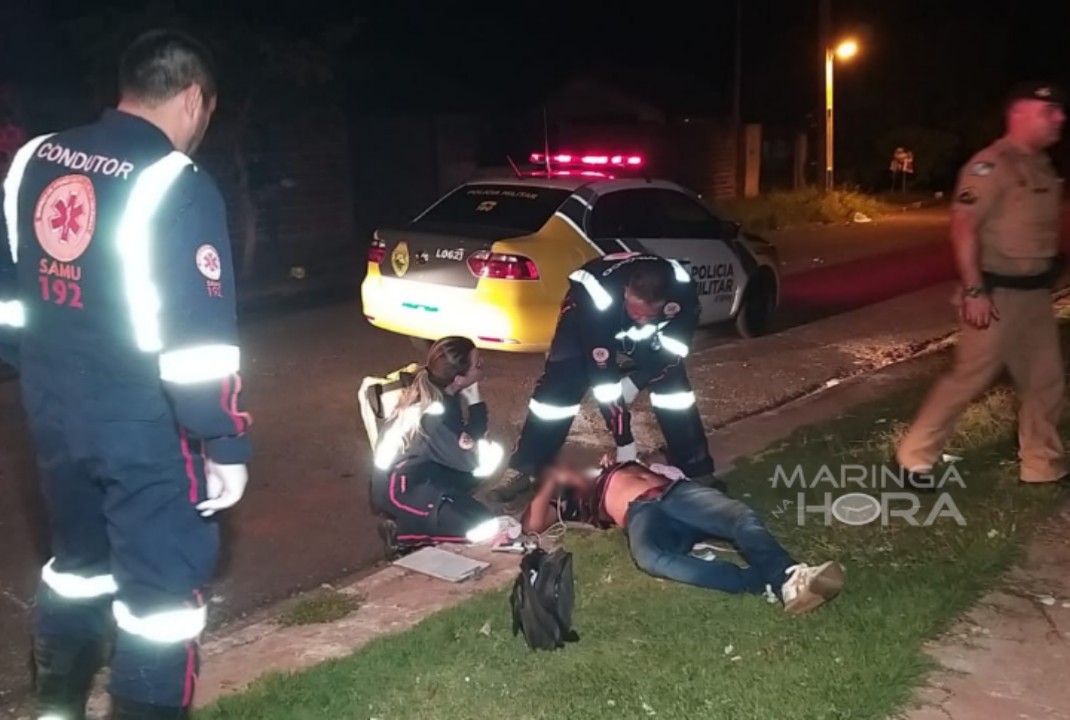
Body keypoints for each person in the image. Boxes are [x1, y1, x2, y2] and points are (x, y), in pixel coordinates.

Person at [0, 30, 251, 719]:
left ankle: (57, 706)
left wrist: (41, 368)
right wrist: (224, 441)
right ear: (195, 99)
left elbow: (10, 288)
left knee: (77, 567)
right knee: (160, 600)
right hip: (143, 425)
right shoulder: (175, 182)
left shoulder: (33, 160)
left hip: (51, 410)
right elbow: (197, 340)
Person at [896, 81, 1067, 490]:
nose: (1060, 118)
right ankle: (912, 459)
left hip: (1034, 296)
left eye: (1060, 110)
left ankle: (1042, 464)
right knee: (968, 378)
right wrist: (974, 290)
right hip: (994, 296)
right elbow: (964, 225)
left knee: (1046, 381)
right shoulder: (990, 165)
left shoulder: (1041, 165)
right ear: (1019, 113)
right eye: (1049, 111)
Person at [492, 251, 718, 504]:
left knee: (675, 394)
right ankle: (525, 466)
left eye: (649, 316)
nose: (642, 320)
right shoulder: (596, 298)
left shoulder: (682, 288)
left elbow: (676, 347)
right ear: (626, 291)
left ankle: (696, 467)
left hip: (640, 326)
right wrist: (625, 443)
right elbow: (603, 378)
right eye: (636, 313)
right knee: (558, 392)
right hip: (584, 319)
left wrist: (636, 381)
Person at [521, 455, 845, 614]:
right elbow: (531, 525)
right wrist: (547, 482)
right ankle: (763, 583)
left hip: (676, 493)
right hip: (643, 514)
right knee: (649, 558)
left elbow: (657, 466)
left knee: (739, 515)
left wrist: (624, 463)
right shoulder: (566, 500)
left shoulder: (607, 466)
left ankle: (788, 575)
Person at [370, 336, 510, 553]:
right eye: (478, 365)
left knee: (484, 515)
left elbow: (468, 440)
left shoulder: (442, 392)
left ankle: (438, 510)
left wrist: (475, 402)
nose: (482, 368)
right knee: (484, 528)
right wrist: (482, 447)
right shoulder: (435, 413)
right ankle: (401, 533)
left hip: (425, 475)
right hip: (402, 490)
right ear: (459, 379)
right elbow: (471, 461)